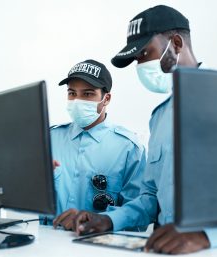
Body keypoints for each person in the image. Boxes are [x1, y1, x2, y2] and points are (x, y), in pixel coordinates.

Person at [72, 6, 217, 254]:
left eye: (145, 53)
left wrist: (205, 236)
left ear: (176, 43)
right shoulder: (160, 117)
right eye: (137, 59)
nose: (140, 65)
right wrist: (111, 220)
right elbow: (151, 196)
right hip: (169, 253)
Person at [46, 59, 146, 230]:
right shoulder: (49, 138)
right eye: (72, 93)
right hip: (45, 245)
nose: (77, 101)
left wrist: (103, 220)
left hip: (97, 248)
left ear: (106, 98)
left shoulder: (129, 148)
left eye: (87, 94)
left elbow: (141, 212)